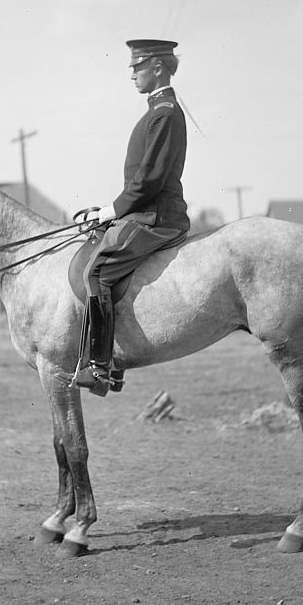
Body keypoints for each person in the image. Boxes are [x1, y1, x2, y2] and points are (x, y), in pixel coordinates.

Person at [73, 39, 190, 393]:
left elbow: (150, 180)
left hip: (157, 216)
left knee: (97, 273)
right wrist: (106, 213)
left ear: (157, 67)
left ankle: (101, 368)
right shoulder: (158, 110)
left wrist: (110, 211)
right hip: (145, 211)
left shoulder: (165, 112)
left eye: (137, 67)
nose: (132, 75)